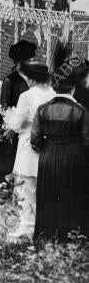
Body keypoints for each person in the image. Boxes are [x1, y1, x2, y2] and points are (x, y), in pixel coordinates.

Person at [31, 63, 89, 241]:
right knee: (72, 195)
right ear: (72, 88)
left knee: (48, 195)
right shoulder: (81, 111)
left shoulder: (42, 109)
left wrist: (48, 147)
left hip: (48, 156)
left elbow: (35, 139)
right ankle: (71, 235)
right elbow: (87, 140)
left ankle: (46, 235)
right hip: (74, 157)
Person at [5, 62, 55, 240]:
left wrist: (8, 123)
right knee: (43, 186)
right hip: (48, 145)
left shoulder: (26, 96)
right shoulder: (53, 93)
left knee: (25, 186)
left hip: (28, 144)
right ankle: (43, 226)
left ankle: (27, 226)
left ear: (32, 79)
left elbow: (17, 123)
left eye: (27, 78)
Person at [0, 40, 36, 189]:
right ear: (20, 62)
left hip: (27, 130)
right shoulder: (10, 80)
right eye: (29, 60)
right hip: (12, 131)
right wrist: (12, 125)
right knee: (7, 166)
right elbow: (5, 108)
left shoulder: (33, 79)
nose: (31, 63)